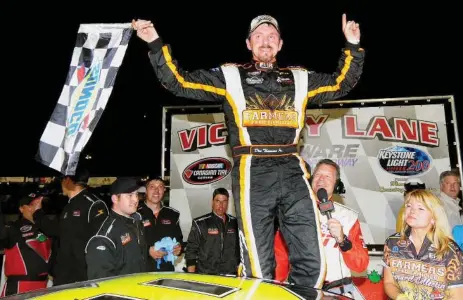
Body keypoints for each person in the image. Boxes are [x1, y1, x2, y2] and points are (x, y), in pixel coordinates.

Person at [132, 13, 364, 287]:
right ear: (248, 43)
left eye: (271, 36)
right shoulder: (231, 76)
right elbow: (178, 82)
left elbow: (342, 83)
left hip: (291, 166)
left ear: (280, 44)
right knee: (258, 262)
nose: (265, 41)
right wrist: (155, 44)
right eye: (258, 36)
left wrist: (352, 46)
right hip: (253, 169)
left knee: (313, 257)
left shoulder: (300, 78)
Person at [275, 159, 369, 297]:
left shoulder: (348, 217)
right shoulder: (292, 213)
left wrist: (343, 241)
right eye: (318, 175)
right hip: (302, 290)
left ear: (336, 185)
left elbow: (360, 265)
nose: (321, 180)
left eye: (328, 176)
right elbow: (280, 257)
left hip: (337, 292)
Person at [32, 166, 109, 285]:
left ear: (68, 180)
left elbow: (102, 241)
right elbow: (57, 229)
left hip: (82, 277)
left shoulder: (94, 204)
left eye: (62, 180)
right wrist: (37, 213)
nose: (61, 184)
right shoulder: (69, 206)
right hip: (65, 275)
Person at [383, 189, 463, 300]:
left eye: (420, 208)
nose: (412, 211)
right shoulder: (392, 243)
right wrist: (401, 298)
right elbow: (389, 282)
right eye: (409, 206)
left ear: (434, 218)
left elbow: (457, 295)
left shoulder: (449, 250)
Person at [85, 177, 148, 280]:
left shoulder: (137, 222)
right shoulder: (104, 237)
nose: (136, 199)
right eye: (130, 195)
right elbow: (102, 283)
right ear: (115, 199)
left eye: (136, 195)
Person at [0, 190, 52, 296]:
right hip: (20, 286)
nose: (35, 208)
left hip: (44, 285)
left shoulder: (48, 227)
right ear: (21, 209)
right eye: (31, 205)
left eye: (38, 204)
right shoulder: (13, 228)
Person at [185, 188, 239, 275]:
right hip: (206, 275)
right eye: (218, 201)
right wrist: (191, 274)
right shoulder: (200, 223)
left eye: (224, 201)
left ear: (228, 203)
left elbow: (239, 250)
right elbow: (191, 250)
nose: (221, 205)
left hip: (230, 275)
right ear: (212, 202)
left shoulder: (235, 223)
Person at [137, 176, 183, 272]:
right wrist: (148, 251)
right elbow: (128, 245)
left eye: (160, 187)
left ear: (164, 190)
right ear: (146, 190)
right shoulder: (135, 214)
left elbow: (179, 239)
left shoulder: (173, 214)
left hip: (166, 271)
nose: (156, 191)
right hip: (141, 271)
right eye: (152, 187)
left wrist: (179, 248)